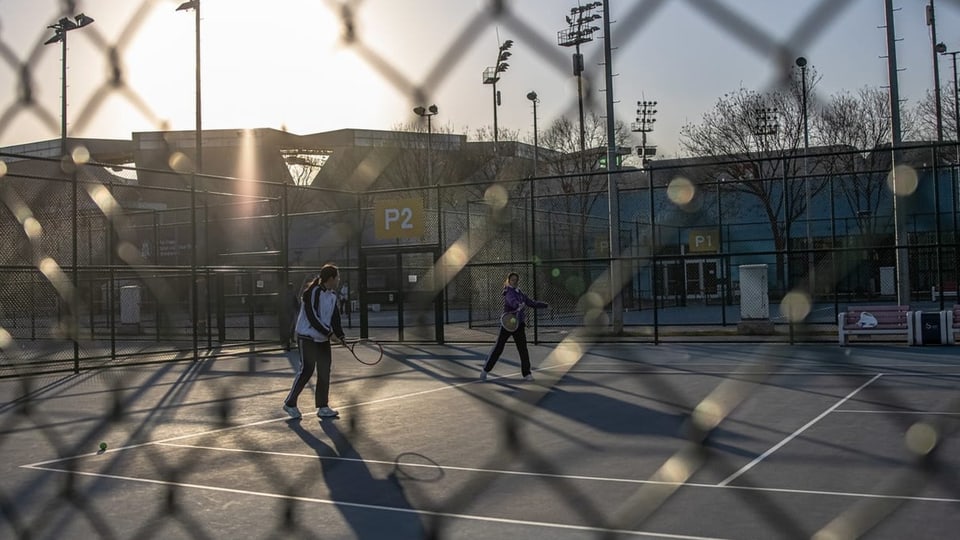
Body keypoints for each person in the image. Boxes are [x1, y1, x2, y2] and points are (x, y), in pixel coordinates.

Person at [283, 264, 346, 419]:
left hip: (323, 340)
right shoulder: (313, 293)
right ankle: (290, 403)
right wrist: (329, 333)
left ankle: (323, 407)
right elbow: (313, 317)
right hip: (307, 337)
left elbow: (334, 317)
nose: (339, 280)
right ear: (331, 278)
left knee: (324, 371)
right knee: (307, 370)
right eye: (337, 277)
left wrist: (341, 335)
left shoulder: (332, 296)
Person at [481, 272, 548, 382]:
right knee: (498, 347)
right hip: (507, 324)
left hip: (519, 325)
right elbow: (511, 301)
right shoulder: (508, 291)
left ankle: (527, 374)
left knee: (523, 349)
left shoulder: (520, 293)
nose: (514, 281)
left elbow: (531, 303)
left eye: (516, 280)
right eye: (512, 279)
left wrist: (544, 305)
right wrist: (517, 305)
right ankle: (485, 370)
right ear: (508, 281)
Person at [281, 281, 299, 351]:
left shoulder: (285, 295)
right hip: (292, 312)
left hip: (286, 312)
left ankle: (286, 340)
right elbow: (296, 303)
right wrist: (297, 309)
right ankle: (290, 340)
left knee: (287, 327)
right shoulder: (293, 294)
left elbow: (283, 304)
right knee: (292, 326)